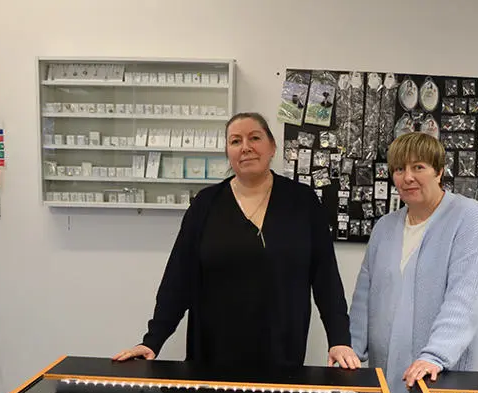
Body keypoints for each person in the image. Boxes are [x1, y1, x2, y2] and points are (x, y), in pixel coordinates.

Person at [113, 112, 360, 371]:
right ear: (228, 152)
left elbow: (326, 278)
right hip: (212, 354)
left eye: (255, 137)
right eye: (235, 141)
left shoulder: (302, 202)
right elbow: (178, 278)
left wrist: (340, 340)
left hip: (282, 353)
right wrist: (152, 341)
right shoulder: (206, 204)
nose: (246, 147)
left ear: (272, 146)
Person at [349, 132, 478, 393]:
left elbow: (465, 296)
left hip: (437, 378)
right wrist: (349, 348)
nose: (407, 178)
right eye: (399, 169)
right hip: (384, 378)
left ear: (439, 171)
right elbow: (365, 294)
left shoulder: (468, 217)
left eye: (418, 167)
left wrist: (435, 356)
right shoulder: (385, 227)